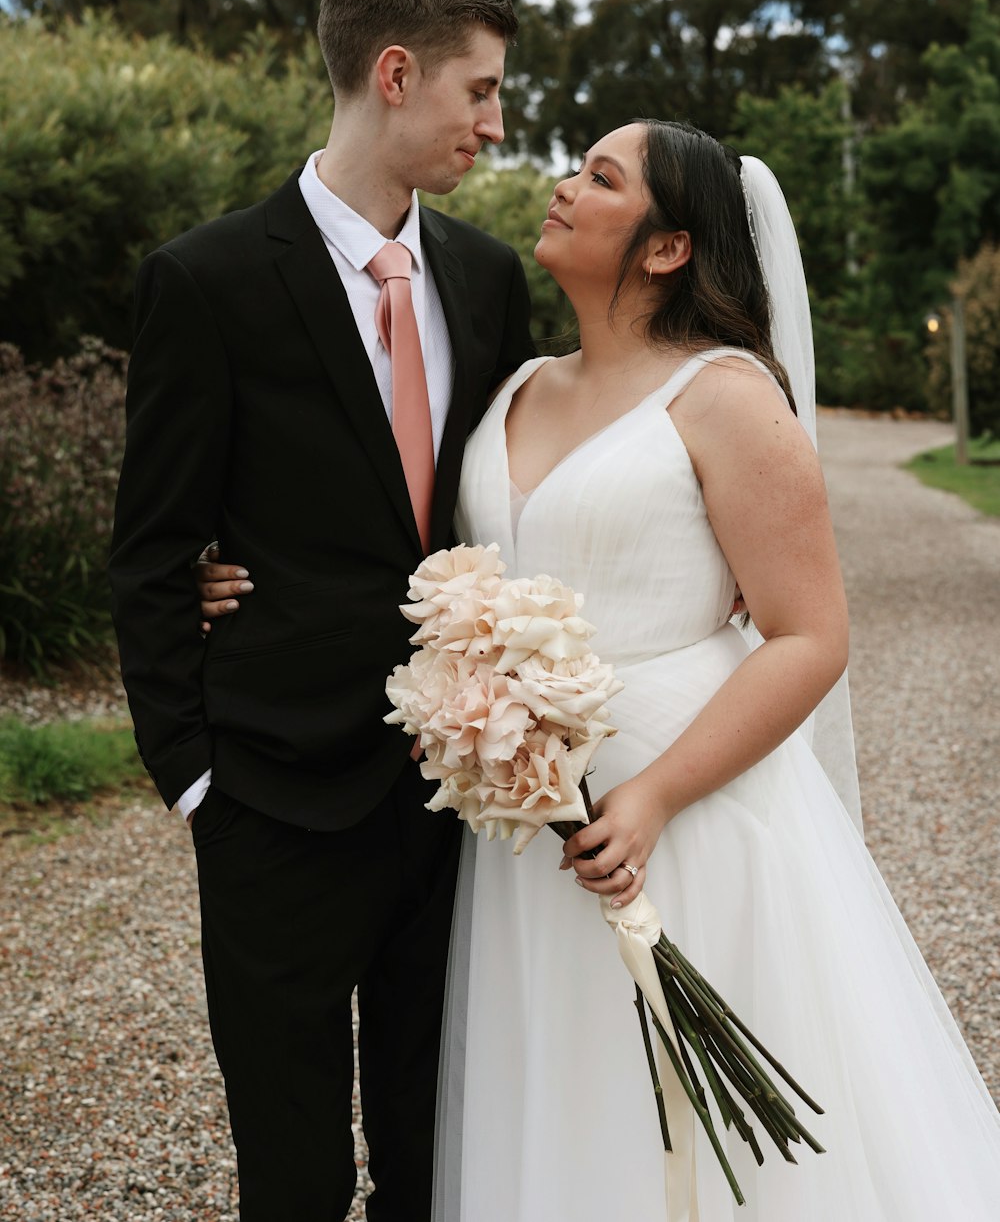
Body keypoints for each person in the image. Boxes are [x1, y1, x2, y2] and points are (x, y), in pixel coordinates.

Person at [207, 117, 1000, 1219]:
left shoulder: (726, 397)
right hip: (521, 831)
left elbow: (812, 634)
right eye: (575, 165)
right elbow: (388, 518)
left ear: (668, 247)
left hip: (685, 815)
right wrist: (221, 568)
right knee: (556, 1094)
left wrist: (653, 796)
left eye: (600, 176)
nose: (562, 185)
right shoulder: (516, 382)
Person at [109, 0, 534, 1222]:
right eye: (481, 91)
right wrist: (192, 773)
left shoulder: (488, 277)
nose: (496, 123)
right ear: (395, 73)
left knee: (435, 1129)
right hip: (273, 798)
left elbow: (504, 504)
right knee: (289, 1159)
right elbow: (150, 547)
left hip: (455, 794)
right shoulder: (208, 280)